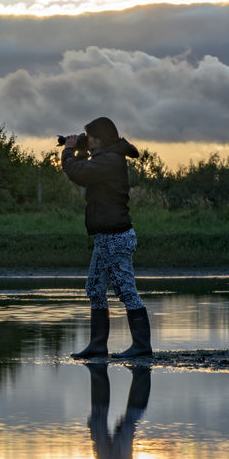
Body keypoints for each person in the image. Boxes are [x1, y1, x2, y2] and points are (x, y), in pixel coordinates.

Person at [61, 116, 151, 358]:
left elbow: (79, 174)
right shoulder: (104, 158)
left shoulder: (111, 161)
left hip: (116, 236)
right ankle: (98, 345)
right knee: (94, 288)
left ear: (99, 138)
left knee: (125, 290)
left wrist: (68, 152)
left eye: (88, 136)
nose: (85, 139)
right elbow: (85, 171)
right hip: (105, 237)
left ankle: (142, 346)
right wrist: (79, 151)